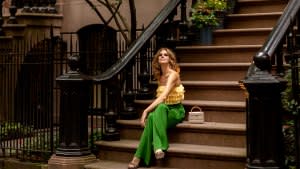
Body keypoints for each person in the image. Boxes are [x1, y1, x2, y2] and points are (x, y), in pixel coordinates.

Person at [128, 47, 185, 169]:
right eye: (160, 55)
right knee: (155, 114)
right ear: (158, 60)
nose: (163, 56)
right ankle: (149, 153)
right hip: (163, 111)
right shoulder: (160, 77)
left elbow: (163, 97)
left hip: (175, 111)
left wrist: (145, 111)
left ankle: (152, 149)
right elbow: (160, 101)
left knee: (155, 112)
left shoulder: (173, 75)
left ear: (170, 59)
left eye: (166, 55)